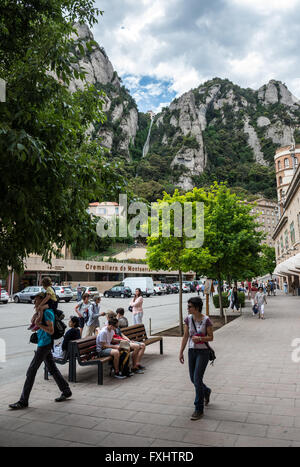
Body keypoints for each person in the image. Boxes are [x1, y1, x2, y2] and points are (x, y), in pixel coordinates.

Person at [9, 293, 72, 410]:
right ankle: (66, 391)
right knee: (52, 368)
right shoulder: (42, 311)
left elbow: (51, 330)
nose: (34, 302)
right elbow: (33, 321)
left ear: (43, 300)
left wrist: (39, 324)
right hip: (43, 344)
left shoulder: (48, 313)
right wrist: (37, 314)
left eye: (36, 300)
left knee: (31, 371)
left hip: (45, 344)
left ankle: (23, 401)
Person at [179, 296, 213, 421]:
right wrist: (181, 352)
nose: (187, 308)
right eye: (187, 306)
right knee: (193, 379)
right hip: (191, 351)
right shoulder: (188, 319)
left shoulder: (206, 320)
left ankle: (198, 409)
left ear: (197, 308)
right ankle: (206, 390)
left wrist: (200, 339)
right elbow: (185, 336)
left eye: (189, 306)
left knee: (197, 378)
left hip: (203, 352)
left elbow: (211, 337)